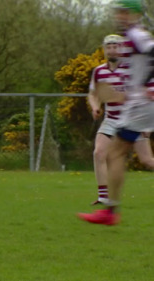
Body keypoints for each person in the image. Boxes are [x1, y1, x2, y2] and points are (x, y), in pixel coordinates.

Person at [78, 0, 154, 225]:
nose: (119, 16)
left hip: (140, 106)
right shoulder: (133, 37)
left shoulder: (137, 35)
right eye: (118, 12)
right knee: (118, 155)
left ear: (135, 15)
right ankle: (110, 211)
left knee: (115, 154)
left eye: (124, 12)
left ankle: (110, 213)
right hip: (137, 105)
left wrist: (148, 87)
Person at [87, 34, 154, 206]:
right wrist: (95, 106)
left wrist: (146, 124)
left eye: (116, 46)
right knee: (99, 153)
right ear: (104, 50)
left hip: (133, 121)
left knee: (147, 161)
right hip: (111, 119)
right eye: (109, 47)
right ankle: (103, 196)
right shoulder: (99, 71)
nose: (112, 50)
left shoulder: (130, 70)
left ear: (122, 49)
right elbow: (93, 94)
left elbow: (143, 94)